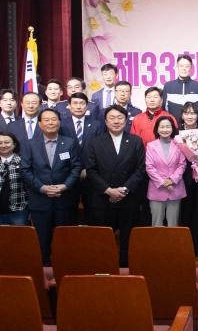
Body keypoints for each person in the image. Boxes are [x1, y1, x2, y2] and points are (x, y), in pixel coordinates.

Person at [86, 105, 146, 267]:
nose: (116, 121)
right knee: (104, 238)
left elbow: (140, 169)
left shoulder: (135, 141)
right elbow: (91, 170)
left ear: (126, 121)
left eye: (120, 118)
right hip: (103, 198)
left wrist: (124, 190)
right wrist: (108, 191)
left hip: (128, 198)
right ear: (105, 121)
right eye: (112, 118)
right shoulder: (95, 142)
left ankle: (126, 267)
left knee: (128, 237)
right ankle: (105, 267)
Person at [20, 108, 81, 266]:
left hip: (64, 199)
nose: (50, 123)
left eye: (54, 119)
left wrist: (65, 186)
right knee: (41, 239)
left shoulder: (69, 143)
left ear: (59, 122)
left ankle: (65, 270)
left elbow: (76, 168)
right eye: (46, 120)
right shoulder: (30, 144)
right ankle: (44, 270)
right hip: (40, 200)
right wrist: (42, 188)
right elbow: (25, 170)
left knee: (65, 239)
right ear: (39, 124)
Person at [59, 91, 106, 225]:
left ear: (87, 106)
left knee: (91, 211)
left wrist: (88, 168)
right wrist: (74, 170)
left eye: (82, 103)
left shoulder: (97, 125)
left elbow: (100, 150)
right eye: (75, 103)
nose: (78, 106)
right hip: (68, 174)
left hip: (90, 175)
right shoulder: (61, 125)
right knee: (69, 212)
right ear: (69, 106)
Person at [130, 86, 173, 227]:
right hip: (142, 167)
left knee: (163, 202)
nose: (152, 100)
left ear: (161, 99)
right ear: (145, 99)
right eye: (149, 97)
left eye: (155, 97)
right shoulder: (138, 118)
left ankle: (163, 232)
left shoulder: (168, 118)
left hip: (163, 169)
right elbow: (133, 143)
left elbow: (174, 144)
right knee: (144, 201)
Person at [145, 116, 187, 227]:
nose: (165, 129)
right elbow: (149, 167)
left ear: (172, 128)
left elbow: (182, 165)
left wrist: (171, 180)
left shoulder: (179, 144)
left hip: (175, 188)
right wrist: (163, 182)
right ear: (157, 129)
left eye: (168, 126)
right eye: (162, 127)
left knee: (173, 224)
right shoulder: (151, 146)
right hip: (157, 189)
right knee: (156, 224)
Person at [178, 102, 198, 259]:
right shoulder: (176, 133)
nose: (190, 116)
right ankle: (186, 248)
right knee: (186, 213)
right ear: (182, 115)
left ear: (197, 115)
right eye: (187, 113)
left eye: (193, 113)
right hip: (182, 179)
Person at [163, 54, 198, 125]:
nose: (184, 68)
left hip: (193, 129)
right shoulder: (168, 86)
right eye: (181, 66)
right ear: (177, 67)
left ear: (191, 67)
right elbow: (164, 110)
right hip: (173, 128)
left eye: (187, 66)